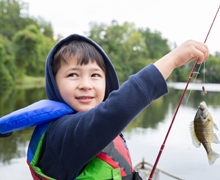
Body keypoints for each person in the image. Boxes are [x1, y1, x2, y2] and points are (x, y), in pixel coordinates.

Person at [4, 34, 210, 180]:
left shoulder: (92, 127)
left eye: (95, 75)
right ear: (54, 84)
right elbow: (114, 112)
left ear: (106, 83)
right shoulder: (62, 136)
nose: (85, 84)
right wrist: (172, 60)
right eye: (73, 74)